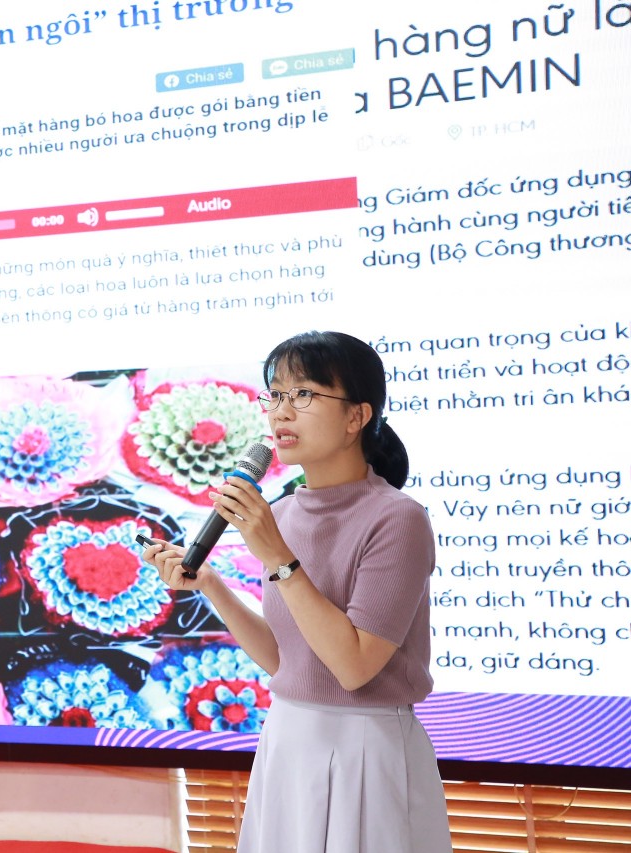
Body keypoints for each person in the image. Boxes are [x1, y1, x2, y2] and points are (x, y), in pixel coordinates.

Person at [142, 331, 451, 853]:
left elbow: (353, 667)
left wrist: (279, 558)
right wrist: (212, 585)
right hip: (287, 738)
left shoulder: (398, 518)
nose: (281, 412)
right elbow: (287, 660)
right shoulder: (283, 514)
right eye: (276, 395)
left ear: (357, 416)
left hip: (365, 749)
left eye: (304, 394)